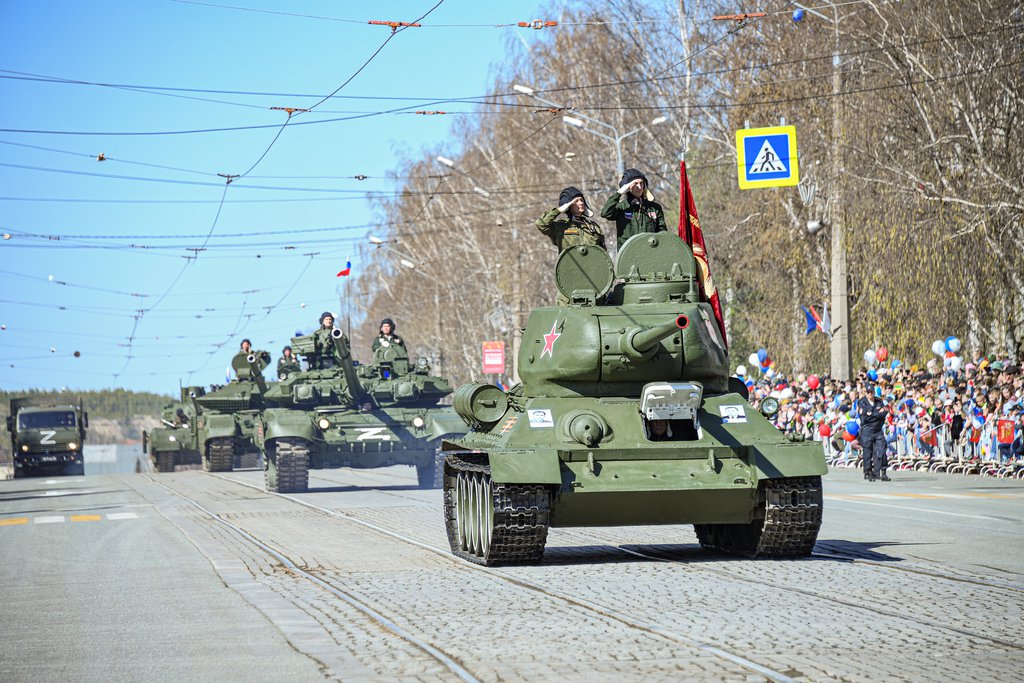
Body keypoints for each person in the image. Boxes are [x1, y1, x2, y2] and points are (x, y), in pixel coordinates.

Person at [600, 168, 667, 247]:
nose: (639, 187)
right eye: (635, 183)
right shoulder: (621, 208)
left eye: (641, 183)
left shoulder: (654, 208)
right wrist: (619, 193)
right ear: (628, 187)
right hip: (628, 252)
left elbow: (663, 234)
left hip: (650, 251)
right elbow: (606, 213)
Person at [535, 187, 606, 251]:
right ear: (568, 205)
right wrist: (558, 210)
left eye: (581, 200)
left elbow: (602, 253)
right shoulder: (560, 226)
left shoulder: (593, 227)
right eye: (576, 201)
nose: (581, 203)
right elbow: (541, 224)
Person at [858, 386, 889, 481]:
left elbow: (884, 414)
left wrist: (872, 414)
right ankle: (868, 472)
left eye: (871, 392)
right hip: (867, 430)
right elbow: (864, 418)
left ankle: (882, 472)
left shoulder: (879, 401)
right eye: (868, 392)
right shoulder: (862, 402)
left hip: (878, 430)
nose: (870, 394)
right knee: (868, 452)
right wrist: (877, 414)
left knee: (882, 451)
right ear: (865, 393)